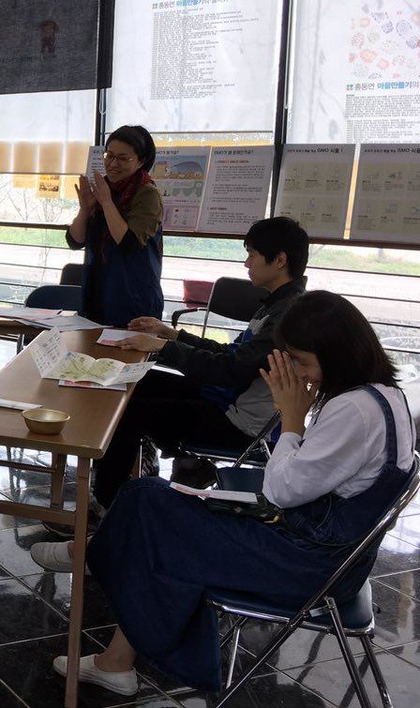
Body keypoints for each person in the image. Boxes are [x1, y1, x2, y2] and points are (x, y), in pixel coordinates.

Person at [45, 291, 414, 696]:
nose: (299, 373)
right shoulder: (384, 396)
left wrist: (292, 418)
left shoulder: (354, 412)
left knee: (148, 502)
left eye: (303, 362)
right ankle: (113, 648)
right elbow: (305, 480)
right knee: (151, 505)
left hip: (308, 566)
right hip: (327, 556)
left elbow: (280, 489)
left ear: (339, 353)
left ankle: (93, 556)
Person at [70, 216, 310, 511]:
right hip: (228, 398)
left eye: (252, 254)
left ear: (280, 260)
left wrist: (164, 346)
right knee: (140, 380)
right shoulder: (278, 303)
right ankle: (187, 464)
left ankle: (107, 504)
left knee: (130, 411)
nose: (246, 263)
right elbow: (232, 353)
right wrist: (171, 334)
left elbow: (229, 370)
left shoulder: (286, 317)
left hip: (238, 420)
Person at [67, 125, 164, 327]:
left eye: (123, 158)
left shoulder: (147, 194)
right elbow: (74, 241)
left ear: (141, 161)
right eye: (109, 156)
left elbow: (128, 243)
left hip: (133, 297)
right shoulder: (103, 188)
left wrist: (106, 202)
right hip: (97, 294)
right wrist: (85, 209)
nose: (113, 164)